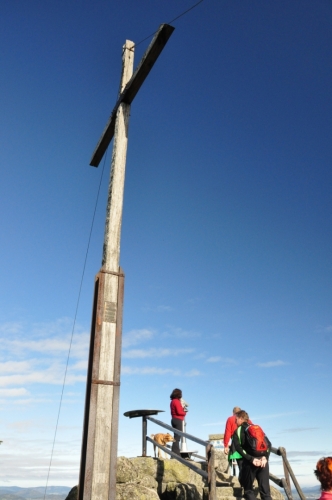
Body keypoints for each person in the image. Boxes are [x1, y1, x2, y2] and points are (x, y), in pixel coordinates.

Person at [232, 410, 272, 500]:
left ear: (241, 419)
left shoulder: (238, 431)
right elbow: (269, 444)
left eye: (236, 419)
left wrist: (251, 459)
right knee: (266, 493)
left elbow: (238, 448)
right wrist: (265, 458)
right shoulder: (257, 428)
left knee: (248, 491)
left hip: (250, 463)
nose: (235, 421)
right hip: (263, 462)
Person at [170, 388, 186, 456]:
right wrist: (184, 412)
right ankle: (176, 453)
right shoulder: (176, 401)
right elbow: (179, 412)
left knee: (176, 436)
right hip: (178, 420)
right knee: (177, 438)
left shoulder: (172, 401)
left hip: (174, 419)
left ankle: (175, 452)